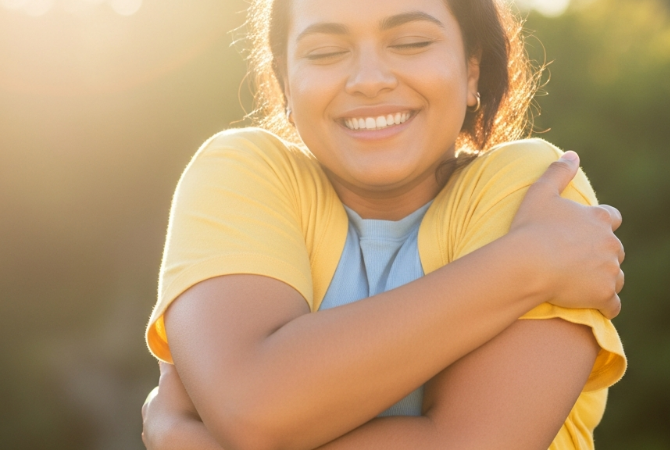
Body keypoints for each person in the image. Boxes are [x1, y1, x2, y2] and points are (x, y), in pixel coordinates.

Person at [141, 0, 627, 449]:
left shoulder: (533, 189)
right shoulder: (239, 173)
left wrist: (198, 443)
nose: (369, 79)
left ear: (471, 68)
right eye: (326, 51)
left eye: (412, 42)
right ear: (286, 82)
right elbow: (253, 408)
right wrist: (529, 263)